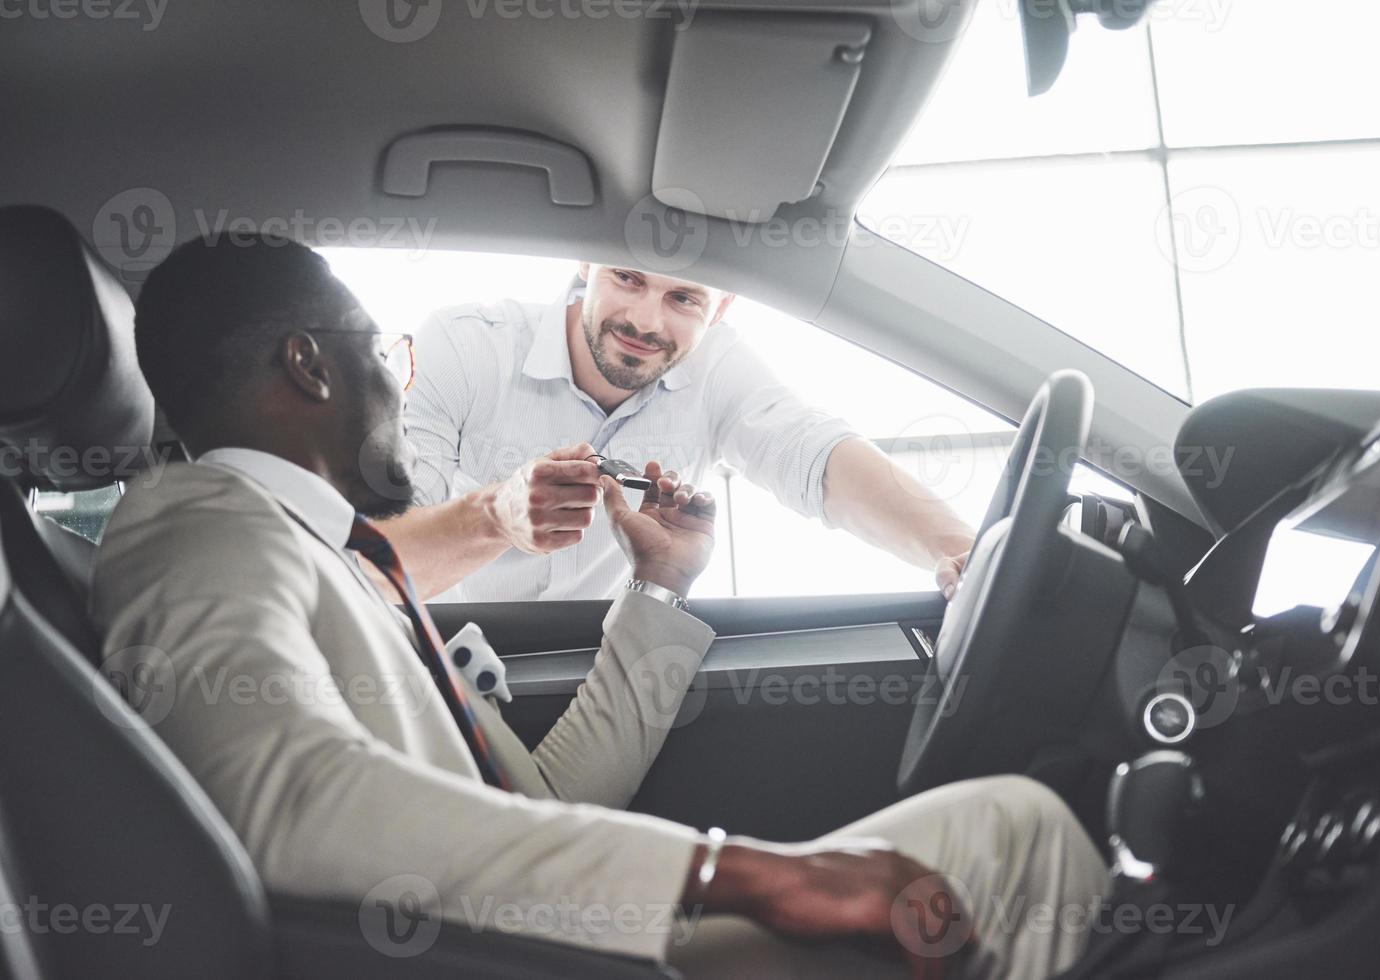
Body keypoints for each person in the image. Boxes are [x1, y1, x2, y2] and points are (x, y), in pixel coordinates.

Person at [91, 235, 1108, 979]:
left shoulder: (346, 565)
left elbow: (538, 797)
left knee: (1002, 832)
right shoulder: (197, 520)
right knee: (1014, 833)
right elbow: (291, 803)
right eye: (375, 346)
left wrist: (659, 587)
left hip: (540, 940)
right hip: (504, 957)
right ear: (308, 364)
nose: (397, 373)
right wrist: (735, 871)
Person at [381, 263, 979, 602]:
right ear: (587, 263)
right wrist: (496, 516)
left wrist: (966, 554)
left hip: (608, 680)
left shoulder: (716, 365)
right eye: (628, 278)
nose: (646, 321)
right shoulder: (461, 345)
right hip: (447, 680)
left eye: (684, 298)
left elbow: (815, 456)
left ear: (719, 310)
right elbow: (376, 565)